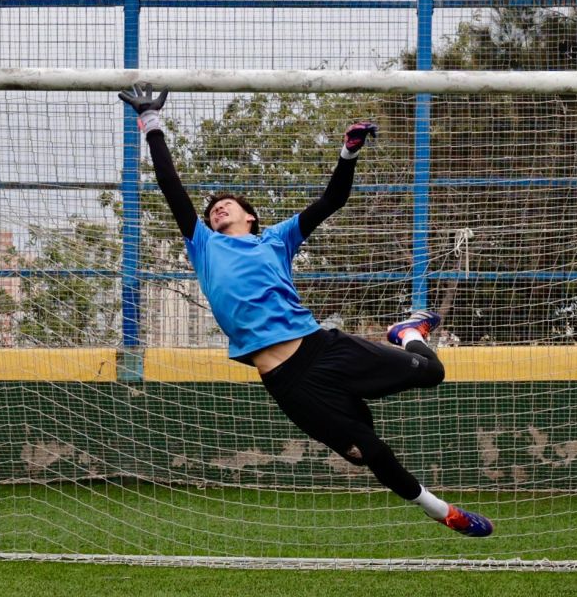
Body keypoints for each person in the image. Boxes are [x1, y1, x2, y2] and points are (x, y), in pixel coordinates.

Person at [117, 84, 492, 537]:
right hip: (287, 381)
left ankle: (409, 331)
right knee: (362, 451)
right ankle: (443, 512)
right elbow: (170, 185)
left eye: (227, 206)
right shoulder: (203, 244)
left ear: (249, 217)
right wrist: (151, 122)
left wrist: (348, 153)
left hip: (321, 349)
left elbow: (331, 201)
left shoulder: (276, 240)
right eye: (213, 208)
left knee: (432, 373)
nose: (217, 210)